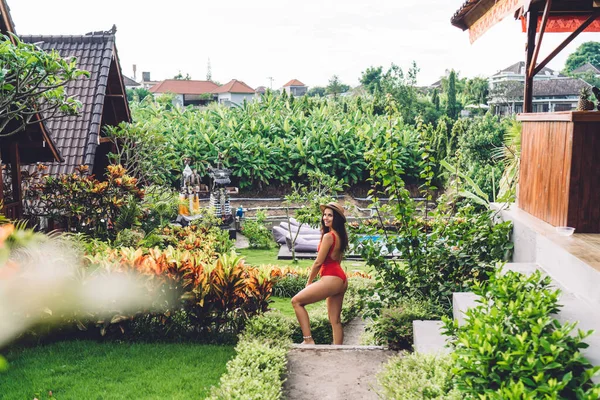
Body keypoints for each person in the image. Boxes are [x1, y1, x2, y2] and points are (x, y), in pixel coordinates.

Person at [291, 202, 349, 345]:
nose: (326, 218)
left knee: (296, 301)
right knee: (335, 320)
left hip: (331, 277)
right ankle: (338, 351)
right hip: (341, 279)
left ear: (336, 219)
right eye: (325, 215)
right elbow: (337, 259)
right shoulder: (340, 236)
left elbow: (318, 262)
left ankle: (308, 340)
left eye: (330, 215)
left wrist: (309, 282)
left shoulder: (329, 236)